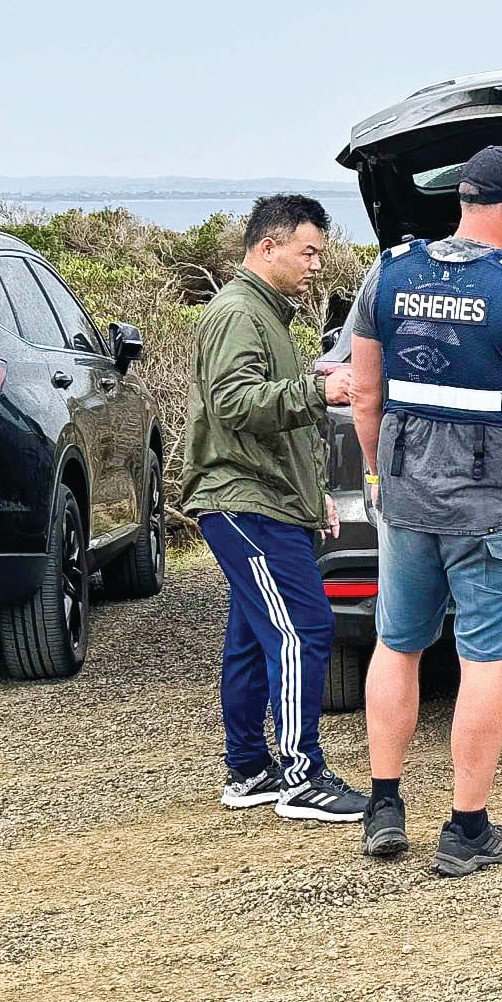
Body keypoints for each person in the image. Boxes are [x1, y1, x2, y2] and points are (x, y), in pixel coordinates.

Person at [349, 145, 502, 876]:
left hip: (409, 498)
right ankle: (466, 830)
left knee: (398, 643)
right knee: (484, 660)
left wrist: (380, 473)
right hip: (492, 508)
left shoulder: (388, 271)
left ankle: (383, 806)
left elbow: (363, 393)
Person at [183, 194, 368, 821]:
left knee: (251, 637)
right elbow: (235, 403)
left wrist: (315, 499)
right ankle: (301, 777)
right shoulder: (238, 313)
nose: (317, 263)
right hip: (243, 498)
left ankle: (249, 771)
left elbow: (278, 422)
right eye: (308, 251)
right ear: (269, 248)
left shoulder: (267, 316)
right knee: (305, 627)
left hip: (269, 499)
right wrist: (319, 387)